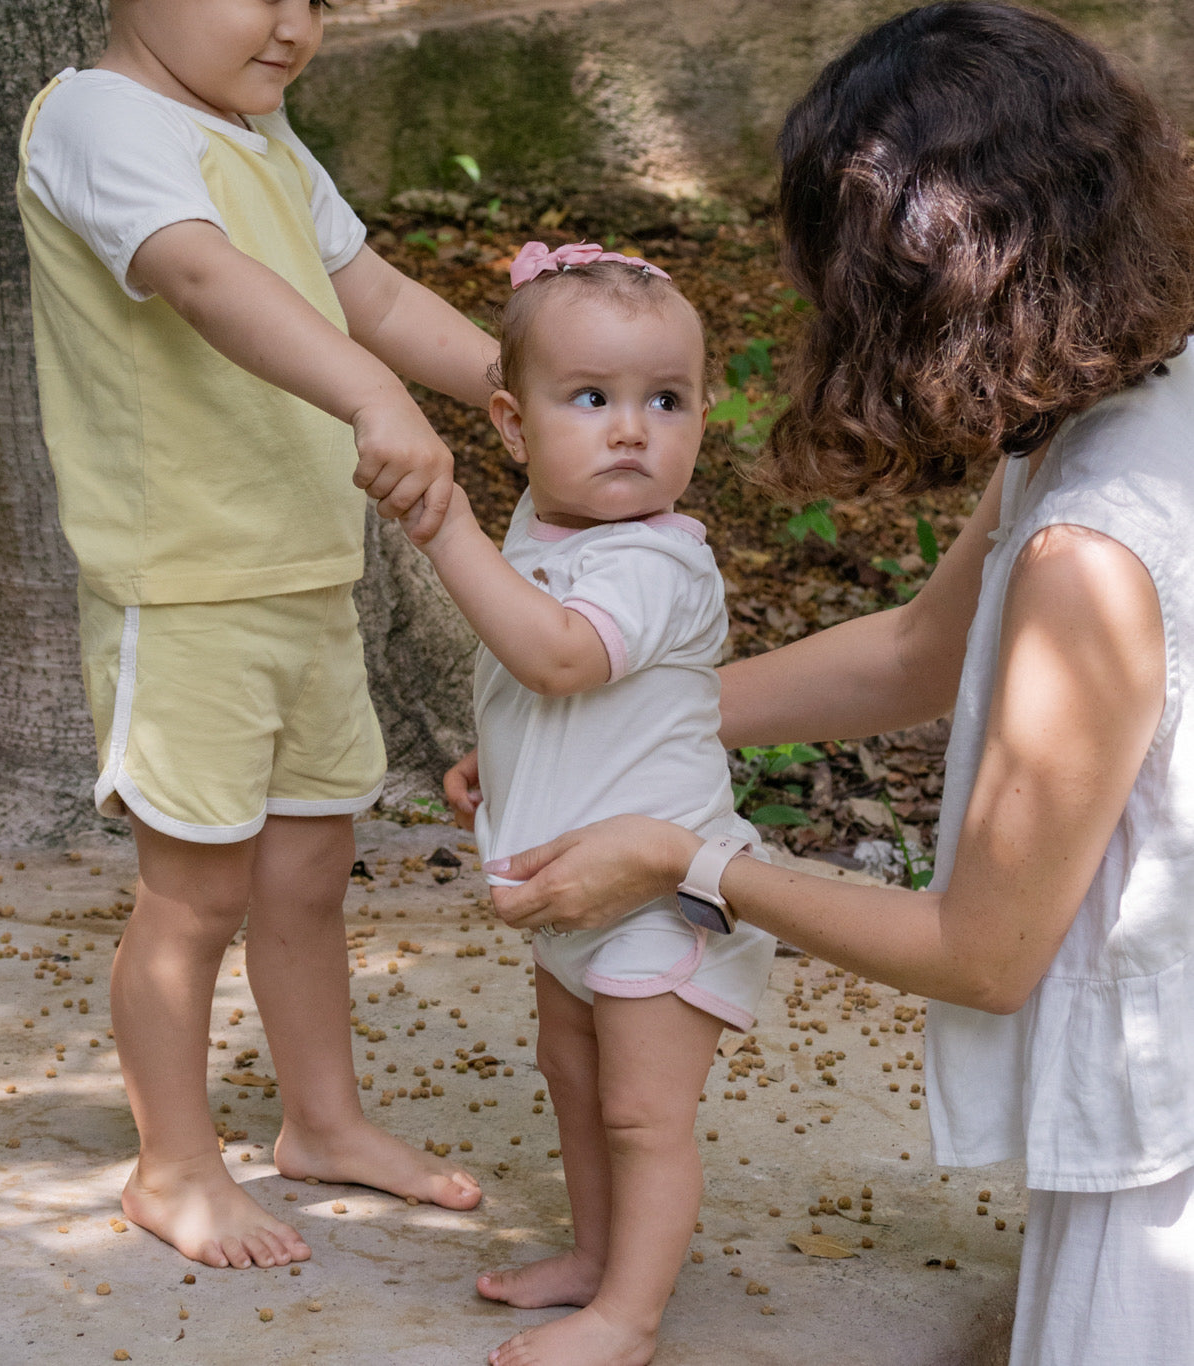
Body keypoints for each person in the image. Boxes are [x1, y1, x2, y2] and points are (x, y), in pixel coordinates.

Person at [452, 5, 1194, 1362]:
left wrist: (688, 859)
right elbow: (916, 649)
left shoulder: (1092, 551)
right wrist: (592, 737)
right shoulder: (1124, 390)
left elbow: (981, 949)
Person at [15, 0, 498, 1271]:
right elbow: (200, 274)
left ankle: (322, 1121)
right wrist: (370, 394)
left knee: (309, 872)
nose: (292, 24)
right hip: (180, 588)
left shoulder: (265, 134)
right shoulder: (97, 118)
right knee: (196, 891)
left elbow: (371, 294)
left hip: (302, 572)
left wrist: (512, 380)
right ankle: (171, 1164)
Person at [404, 241, 777, 1366]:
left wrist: (441, 529)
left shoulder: (656, 563)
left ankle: (630, 1316)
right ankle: (593, 1258)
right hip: (574, 889)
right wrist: (499, 758)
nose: (630, 428)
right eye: (591, 399)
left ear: (702, 419)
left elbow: (561, 656)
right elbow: (550, 694)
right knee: (572, 1081)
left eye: (664, 400)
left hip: (665, 900)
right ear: (516, 428)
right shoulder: (550, 530)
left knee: (640, 1114)